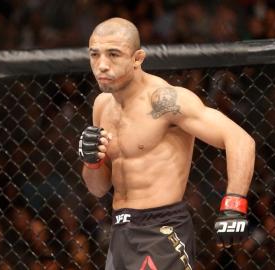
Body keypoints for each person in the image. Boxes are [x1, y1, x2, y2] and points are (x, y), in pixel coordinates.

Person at [78, 17, 256, 270]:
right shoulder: (102, 105)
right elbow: (98, 189)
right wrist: (91, 162)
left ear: (137, 58)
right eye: (95, 54)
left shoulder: (165, 101)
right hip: (120, 229)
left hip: (161, 228)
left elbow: (240, 139)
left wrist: (234, 204)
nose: (102, 65)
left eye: (114, 54)